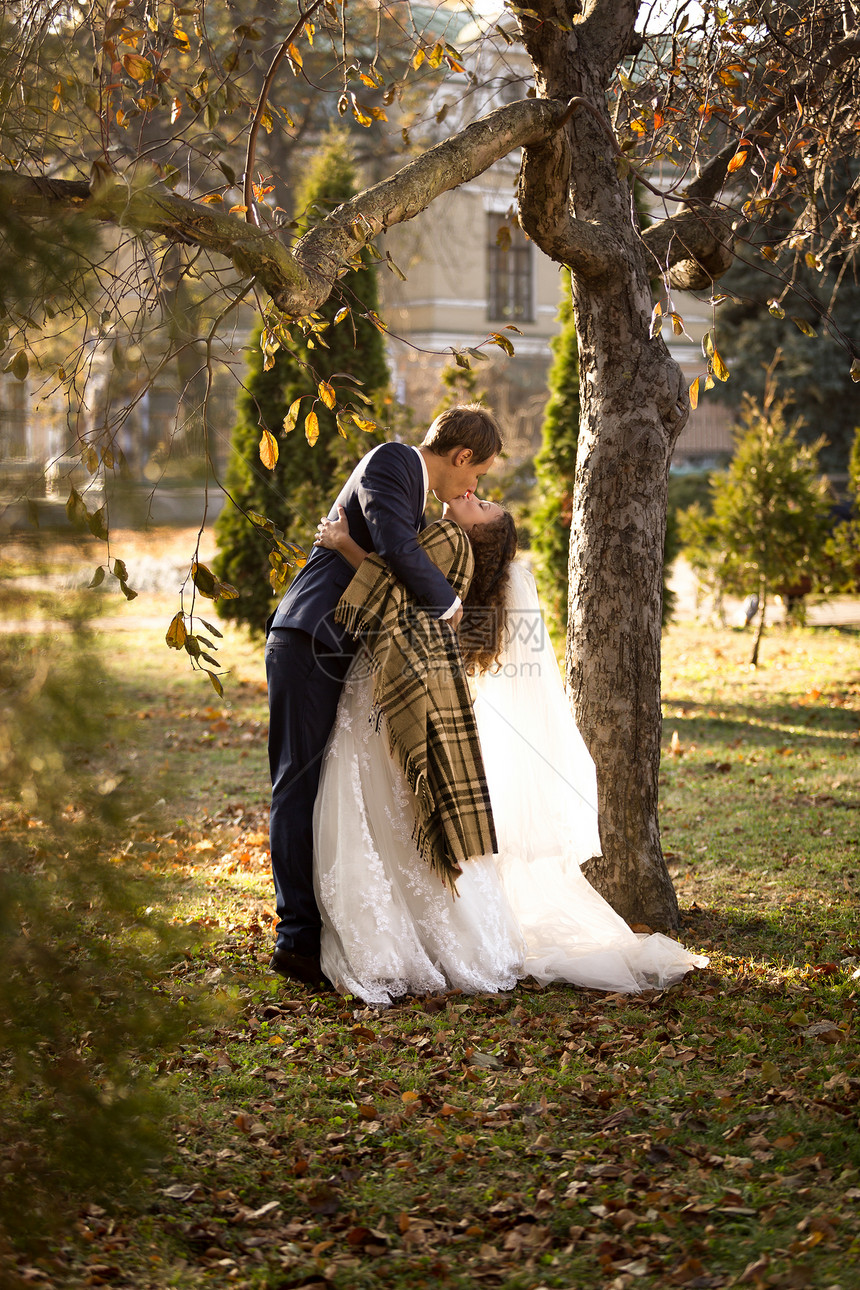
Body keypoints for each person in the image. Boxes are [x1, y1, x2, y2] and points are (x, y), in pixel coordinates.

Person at [312, 497, 708, 1005]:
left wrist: (344, 542)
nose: (476, 496)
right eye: (481, 494)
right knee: (401, 818)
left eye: (482, 505)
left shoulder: (450, 552)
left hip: (396, 702)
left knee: (391, 814)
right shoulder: (451, 557)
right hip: (412, 705)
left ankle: (409, 939)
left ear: (478, 536)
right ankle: (419, 932)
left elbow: (394, 596)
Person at [264, 404, 503, 986]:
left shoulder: (419, 500)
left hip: (341, 650)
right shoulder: (392, 461)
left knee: (321, 788)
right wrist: (448, 605)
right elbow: (397, 546)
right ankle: (295, 941)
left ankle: (320, 930)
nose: (475, 487)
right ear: (461, 456)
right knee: (297, 783)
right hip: (308, 638)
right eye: (478, 476)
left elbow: (391, 570)